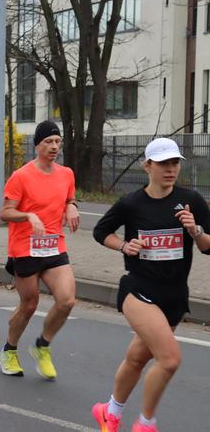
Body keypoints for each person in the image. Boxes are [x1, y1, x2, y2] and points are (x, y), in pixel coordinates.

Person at [91, 138, 210, 432]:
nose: (171, 170)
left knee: (136, 359)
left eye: (175, 163)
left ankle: (110, 411)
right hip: (138, 290)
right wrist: (123, 246)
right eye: (163, 164)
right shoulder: (131, 203)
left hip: (174, 295)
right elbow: (100, 231)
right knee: (169, 360)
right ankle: (146, 424)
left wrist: (195, 231)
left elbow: (208, 247)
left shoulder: (191, 201)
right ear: (148, 166)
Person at [0, 120, 79, 380]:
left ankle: (42, 346)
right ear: (37, 146)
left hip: (54, 245)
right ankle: (8, 350)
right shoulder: (21, 176)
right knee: (29, 304)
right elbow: (5, 213)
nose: (54, 146)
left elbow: (68, 197)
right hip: (25, 248)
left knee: (67, 300)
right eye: (48, 142)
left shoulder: (66, 174)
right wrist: (28, 216)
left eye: (57, 142)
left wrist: (72, 205)